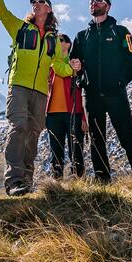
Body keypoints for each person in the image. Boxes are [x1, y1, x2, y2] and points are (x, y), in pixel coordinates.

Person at [0, 0, 80, 196]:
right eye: (33, 2)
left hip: (40, 92)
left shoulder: (52, 39)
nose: (35, 4)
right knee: (18, 127)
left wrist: (72, 69)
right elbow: (1, 12)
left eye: (40, 1)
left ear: (48, 9)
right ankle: (14, 180)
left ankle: (26, 181)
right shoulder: (20, 28)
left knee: (34, 132)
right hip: (18, 86)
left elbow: (58, 65)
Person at [70, 0, 132, 183]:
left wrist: (120, 83)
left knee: (127, 136)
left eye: (98, 1)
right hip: (91, 96)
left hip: (116, 94)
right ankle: (102, 181)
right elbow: (73, 62)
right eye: (91, 2)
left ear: (108, 6)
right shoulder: (81, 36)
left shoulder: (121, 32)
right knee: (96, 140)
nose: (94, 4)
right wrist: (80, 76)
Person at [46, 33, 88, 179]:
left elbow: (83, 91)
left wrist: (84, 116)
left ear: (68, 44)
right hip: (52, 115)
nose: (57, 42)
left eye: (61, 40)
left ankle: (78, 180)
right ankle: (55, 181)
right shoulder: (50, 64)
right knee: (55, 149)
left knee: (75, 149)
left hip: (73, 113)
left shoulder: (75, 64)